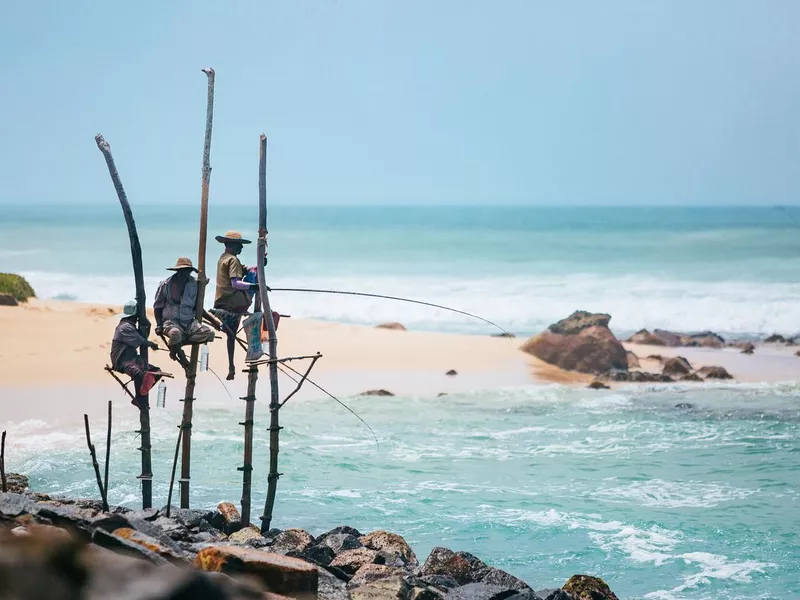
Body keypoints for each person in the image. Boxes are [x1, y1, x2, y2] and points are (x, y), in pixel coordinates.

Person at [213, 231, 259, 380]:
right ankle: (235, 364)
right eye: (239, 245)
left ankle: (231, 366)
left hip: (221, 301)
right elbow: (236, 283)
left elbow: (239, 274)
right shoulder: (233, 260)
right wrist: (254, 287)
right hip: (235, 302)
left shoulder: (223, 258)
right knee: (255, 273)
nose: (241, 248)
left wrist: (249, 269)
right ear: (232, 245)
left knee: (230, 336)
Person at [153, 257, 216, 357]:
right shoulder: (165, 285)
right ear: (178, 271)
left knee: (208, 333)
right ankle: (177, 345)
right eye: (182, 272)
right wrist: (159, 325)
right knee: (175, 333)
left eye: (187, 272)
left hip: (189, 323)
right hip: (171, 322)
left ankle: (178, 344)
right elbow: (157, 307)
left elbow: (198, 308)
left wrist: (214, 322)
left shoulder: (194, 284)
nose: (185, 274)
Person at [110, 300, 161, 409]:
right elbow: (141, 340)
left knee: (156, 372)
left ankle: (142, 393)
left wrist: (148, 325)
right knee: (138, 374)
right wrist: (151, 344)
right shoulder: (125, 327)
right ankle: (140, 398)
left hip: (133, 358)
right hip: (122, 361)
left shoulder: (130, 326)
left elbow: (142, 338)